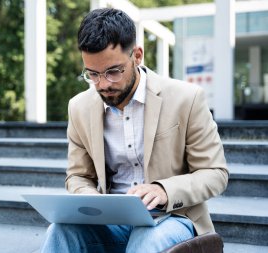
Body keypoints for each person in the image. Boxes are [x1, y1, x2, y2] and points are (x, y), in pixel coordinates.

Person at [41, 8, 228, 253]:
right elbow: (78, 176)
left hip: (173, 216)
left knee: (146, 241)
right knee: (60, 231)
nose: (103, 84)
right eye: (93, 74)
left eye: (113, 72)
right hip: (111, 222)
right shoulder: (79, 107)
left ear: (137, 55)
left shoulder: (187, 98)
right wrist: (90, 198)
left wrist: (163, 190)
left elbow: (215, 173)